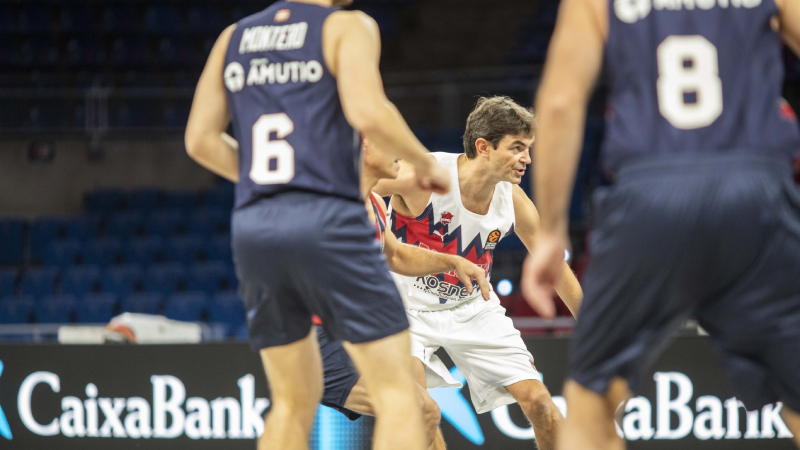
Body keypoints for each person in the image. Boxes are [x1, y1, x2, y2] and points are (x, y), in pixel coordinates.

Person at [522, 0, 800, 446]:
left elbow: (559, 101)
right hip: (756, 188)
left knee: (593, 397)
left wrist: (552, 231)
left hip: (649, 193)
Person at [183, 0, 451, 449]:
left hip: (254, 224)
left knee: (291, 401)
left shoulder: (232, 38)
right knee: (401, 397)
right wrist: (424, 161)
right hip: (327, 218)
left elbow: (199, 140)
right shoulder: (346, 27)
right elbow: (368, 112)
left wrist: (266, 179)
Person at [376, 96, 584, 450]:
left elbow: (556, 269)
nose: (527, 159)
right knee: (419, 411)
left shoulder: (513, 199)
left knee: (541, 404)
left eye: (529, 148)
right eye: (517, 148)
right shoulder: (423, 175)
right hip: (403, 305)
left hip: (474, 307)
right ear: (483, 147)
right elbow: (353, 186)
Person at [317, 138, 491, 450]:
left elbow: (396, 255)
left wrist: (452, 261)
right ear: (366, 148)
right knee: (419, 410)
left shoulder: (375, 204)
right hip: (318, 335)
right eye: (390, 143)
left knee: (421, 413)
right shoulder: (328, 202)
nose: (401, 155)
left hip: (356, 337)